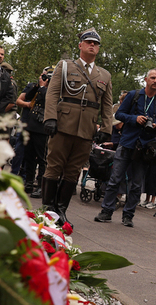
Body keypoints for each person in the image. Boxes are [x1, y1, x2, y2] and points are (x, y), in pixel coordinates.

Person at [42, 29, 113, 228]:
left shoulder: (105, 75)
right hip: (62, 125)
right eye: (88, 42)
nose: (92, 45)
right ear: (80, 45)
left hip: (86, 130)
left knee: (73, 171)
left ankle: (61, 210)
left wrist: (106, 128)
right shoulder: (65, 66)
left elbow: (107, 106)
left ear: (98, 49)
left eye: (96, 43)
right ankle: (48, 209)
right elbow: (53, 93)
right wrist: (50, 118)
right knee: (54, 166)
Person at [94, 69, 156, 227]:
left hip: (144, 148)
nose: (155, 81)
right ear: (146, 79)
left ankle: (128, 215)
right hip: (127, 143)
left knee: (136, 184)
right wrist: (134, 118)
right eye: (153, 78)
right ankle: (106, 211)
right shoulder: (134, 95)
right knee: (115, 179)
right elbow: (119, 114)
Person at [19, 67, 52, 199]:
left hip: (43, 128)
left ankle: (41, 186)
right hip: (32, 125)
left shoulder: (54, 90)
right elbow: (27, 97)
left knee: (42, 158)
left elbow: (49, 101)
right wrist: (38, 85)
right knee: (29, 156)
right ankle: (29, 182)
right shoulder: (39, 87)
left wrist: (43, 88)